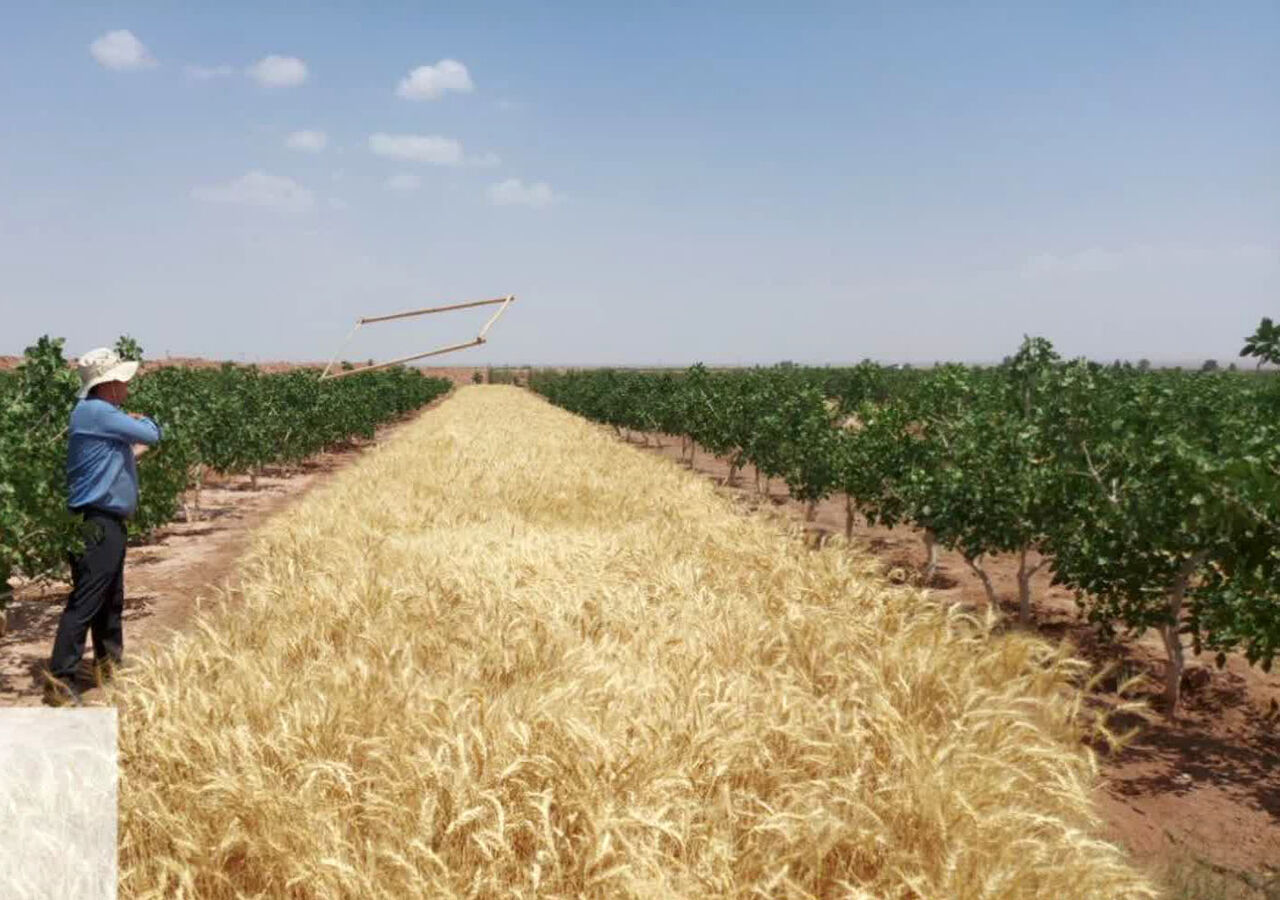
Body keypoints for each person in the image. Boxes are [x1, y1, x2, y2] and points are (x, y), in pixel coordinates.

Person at [45, 347, 162, 706]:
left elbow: (130, 448)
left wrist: (133, 431)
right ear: (108, 384)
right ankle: (59, 684)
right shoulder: (98, 412)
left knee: (110, 599)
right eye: (123, 380)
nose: (127, 386)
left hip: (103, 521)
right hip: (96, 522)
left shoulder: (97, 416)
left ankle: (108, 666)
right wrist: (144, 422)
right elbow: (153, 434)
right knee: (86, 601)